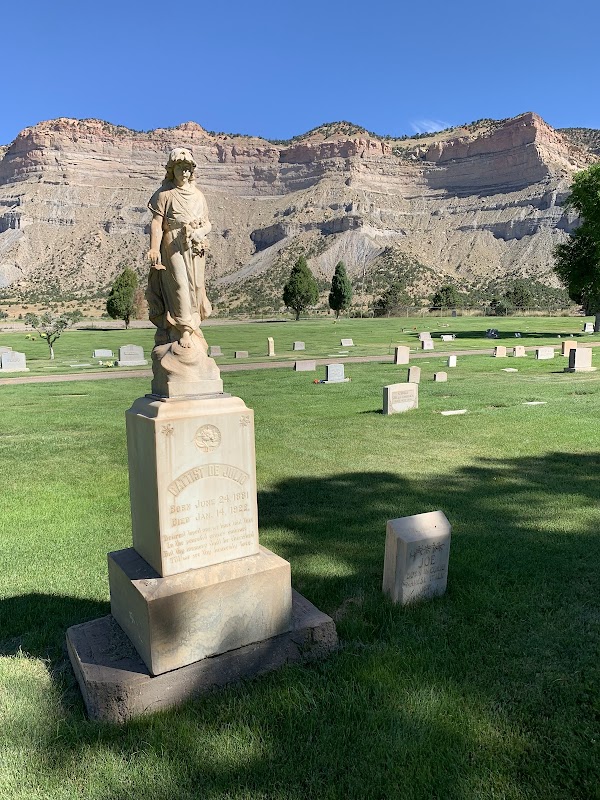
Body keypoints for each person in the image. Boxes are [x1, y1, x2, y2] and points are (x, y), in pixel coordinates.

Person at [146, 148, 212, 348]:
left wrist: (200, 233)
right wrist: (154, 249)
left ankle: (194, 325)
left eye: (187, 168)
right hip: (173, 243)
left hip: (195, 246)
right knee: (180, 285)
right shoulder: (165, 194)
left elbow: (208, 223)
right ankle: (183, 330)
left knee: (196, 287)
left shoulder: (199, 196)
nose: (184, 172)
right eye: (180, 168)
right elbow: (157, 223)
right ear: (171, 169)